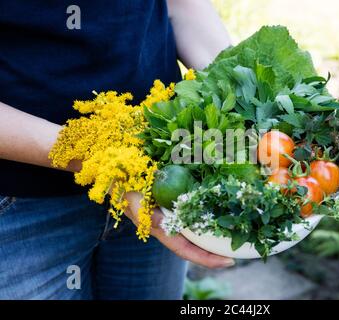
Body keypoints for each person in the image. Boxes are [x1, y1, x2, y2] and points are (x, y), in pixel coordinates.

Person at [0, 0, 234, 300]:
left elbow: (181, 5)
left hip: (159, 176)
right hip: (22, 208)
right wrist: (109, 161)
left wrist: (240, 97)